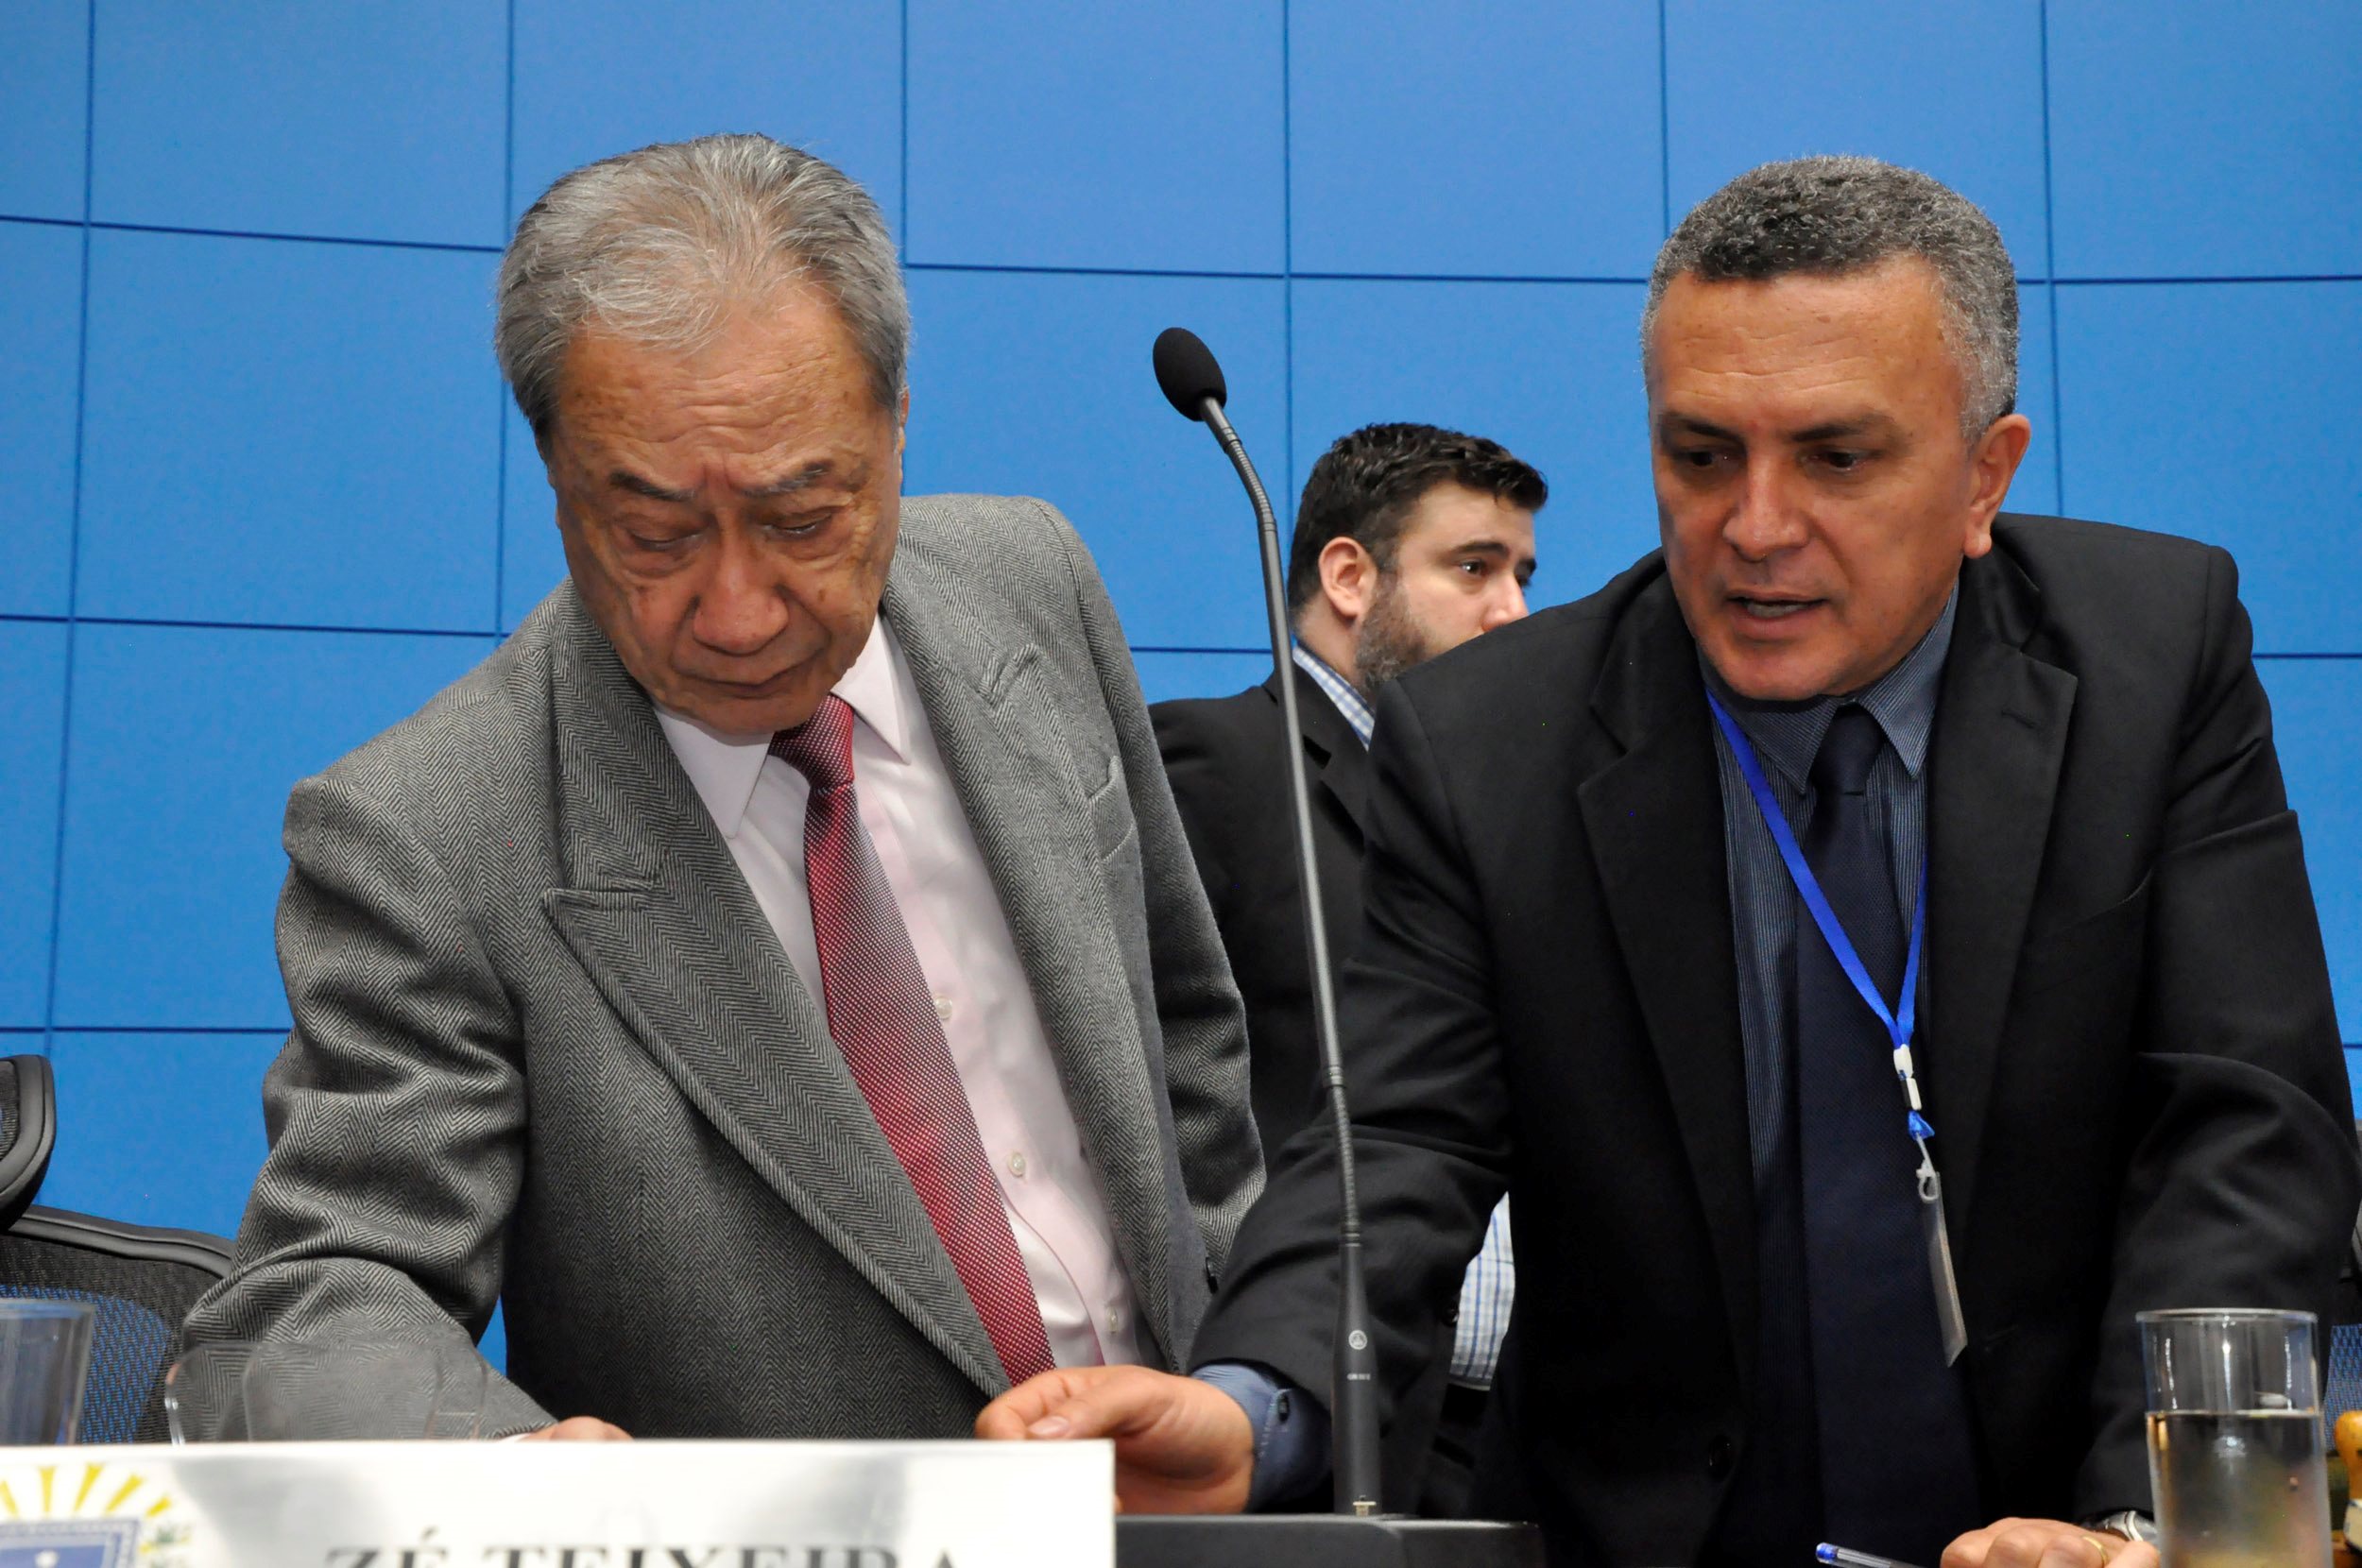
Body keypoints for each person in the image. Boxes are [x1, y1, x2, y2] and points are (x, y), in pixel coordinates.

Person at [978, 157, 2360, 1568]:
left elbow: (2243, 1121)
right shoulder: (1492, 737)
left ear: (1982, 475)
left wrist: (2141, 1523)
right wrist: (1253, 1402)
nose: (1754, 528)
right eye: (1700, 456)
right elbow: (1393, 1142)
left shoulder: (2151, 656)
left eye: (1835, 457)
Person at [182, 133, 1261, 1442]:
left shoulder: (1030, 578)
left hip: (1187, 1498)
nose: (739, 613)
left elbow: (1189, 1045)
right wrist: (492, 1463)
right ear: (555, 475)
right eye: (654, 535)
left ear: (897, 426)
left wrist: (1246, 1390)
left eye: (803, 519)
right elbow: (319, 1297)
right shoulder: (432, 830)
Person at [1150, 421, 1542, 1511]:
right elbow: (1146, 1081)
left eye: (1522, 573)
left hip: (1508, 1441)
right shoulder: (1220, 762)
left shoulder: (1502, 813)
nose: (1512, 610)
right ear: (1348, 576)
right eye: (1474, 568)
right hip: (1314, 1415)